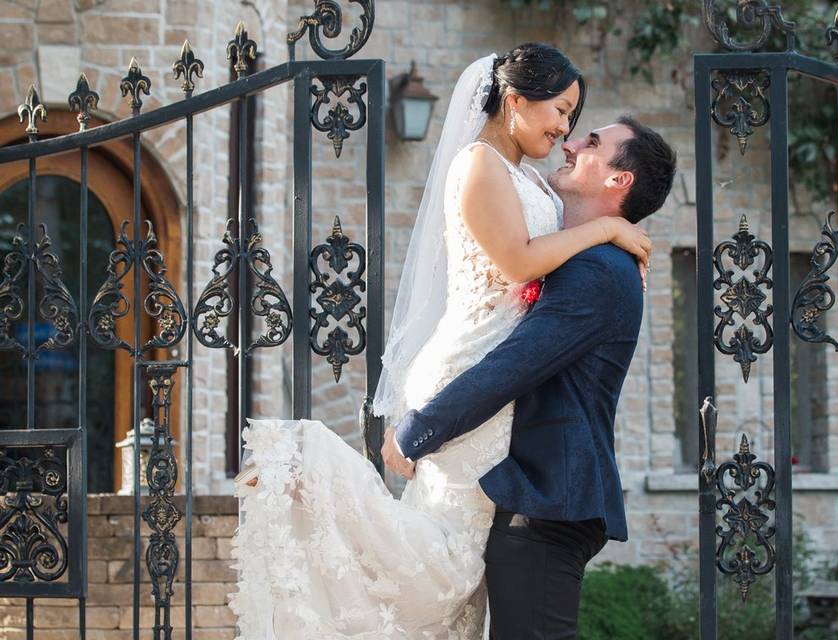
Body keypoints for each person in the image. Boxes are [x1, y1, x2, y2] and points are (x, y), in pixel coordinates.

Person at [229, 43, 661, 639]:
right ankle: (305, 464)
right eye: (561, 112)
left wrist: (611, 234)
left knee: (456, 560)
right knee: (448, 560)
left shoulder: (530, 181)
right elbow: (517, 262)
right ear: (515, 99)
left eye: (579, 127)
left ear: (616, 176)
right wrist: (612, 227)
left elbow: (549, 286)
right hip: (473, 368)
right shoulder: (480, 164)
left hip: (492, 378)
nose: (568, 133)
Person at [383, 116, 677, 638]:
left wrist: (415, 433)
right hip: (529, 494)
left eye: (591, 143)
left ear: (619, 180)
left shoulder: (600, 272)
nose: (569, 142)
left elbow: (511, 367)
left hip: (550, 502)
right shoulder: (586, 257)